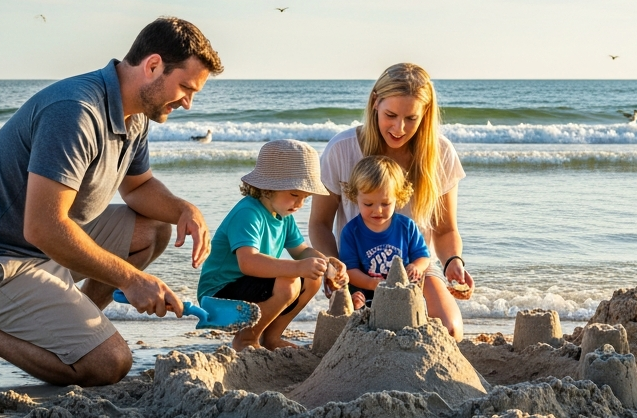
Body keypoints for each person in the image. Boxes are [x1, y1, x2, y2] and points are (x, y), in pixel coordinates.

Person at [0, 17, 224, 387]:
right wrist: (131, 279)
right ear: (153, 66)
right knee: (108, 365)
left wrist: (183, 210)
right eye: (185, 88)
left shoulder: (136, 114)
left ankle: (75, 328)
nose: (188, 104)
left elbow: (138, 188)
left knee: (154, 229)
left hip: (43, 246)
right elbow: (43, 227)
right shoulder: (76, 111)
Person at [309, 63, 473, 339]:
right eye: (391, 115)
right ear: (375, 102)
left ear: (425, 113)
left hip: (416, 271)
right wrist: (335, 267)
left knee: (449, 331)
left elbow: (445, 229)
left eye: (411, 118)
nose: (399, 128)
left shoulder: (441, 153)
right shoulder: (341, 149)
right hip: (358, 271)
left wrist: (453, 262)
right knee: (353, 332)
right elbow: (320, 223)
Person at [197, 139, 347, 351]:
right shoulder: (248, 213)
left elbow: (301, 251)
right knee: (289, 282)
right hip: (219, 293)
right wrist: (296, 268)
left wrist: (327, 263)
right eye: (294, 194)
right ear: (267, 187)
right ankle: (247, 339)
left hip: (250, 285)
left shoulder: (283, 215)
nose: (299, 204)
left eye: (305, 197)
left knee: (311, 277)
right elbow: (247, 262)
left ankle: (271, 337)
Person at [339, 155, 431, 310]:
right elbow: (350, 270)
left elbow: (423, 256)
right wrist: (372, 284)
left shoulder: (406, 227)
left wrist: (416, 266)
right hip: (365, 287)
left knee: (416, 289)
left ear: (398, 197)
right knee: (352, 293)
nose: (378, 210)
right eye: (368, 204)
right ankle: (358, 306)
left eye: (386, 203)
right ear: (356, 197)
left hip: (400, 288)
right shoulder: (351, 231)